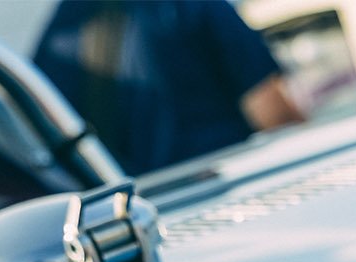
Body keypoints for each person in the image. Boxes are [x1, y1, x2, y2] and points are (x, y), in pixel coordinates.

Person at [32, 0, 306, 176]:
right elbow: (275, 117)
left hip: (137, 224)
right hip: (228, 194)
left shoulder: (54, 39)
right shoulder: (194, 7)